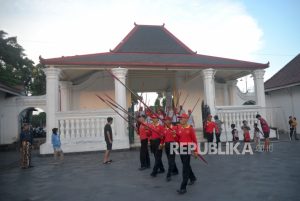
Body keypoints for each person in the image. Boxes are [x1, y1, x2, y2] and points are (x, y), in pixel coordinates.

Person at [176, 113, 198, 194]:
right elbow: (178, 139)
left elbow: (195, 140)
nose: (180, 120)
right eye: (180, 118)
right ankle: (192, 178)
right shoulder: (179, 128)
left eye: (181, 118)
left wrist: (196, 151)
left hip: (187, 148)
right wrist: (175, 136)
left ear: (185, 119)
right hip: (181, 148)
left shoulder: (190, 129)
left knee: (185, 167)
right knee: (186, 164)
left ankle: (183, 187)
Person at [160, 116, 179, 181]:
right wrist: (161, 144)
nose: (165, 121)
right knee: (170, 159)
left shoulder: (174, 128)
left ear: (170, 121)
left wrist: (175, 134)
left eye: (167, 120)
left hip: (173, 145)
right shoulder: (164, 129)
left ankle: (169, 174)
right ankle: (175, 170)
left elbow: (178, 136)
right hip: (167, 145)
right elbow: (163, 138)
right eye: (165, 120)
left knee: (171, 160)